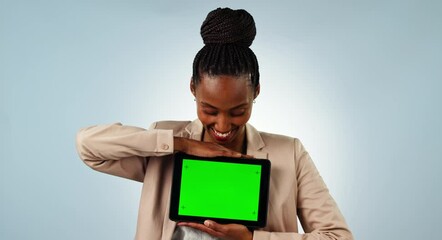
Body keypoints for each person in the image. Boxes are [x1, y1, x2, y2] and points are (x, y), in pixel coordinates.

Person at [76, 7, 353, 240]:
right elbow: (88, 147)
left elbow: (338, 237)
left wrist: (252, 238)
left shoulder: (289, 153)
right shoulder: (164, 143)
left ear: (256, 92)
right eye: (208, 110)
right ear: (193, 89)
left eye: (237, 111)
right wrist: (181, 144)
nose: (222, 124)